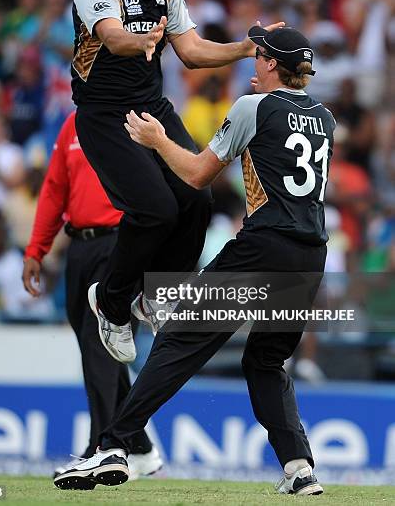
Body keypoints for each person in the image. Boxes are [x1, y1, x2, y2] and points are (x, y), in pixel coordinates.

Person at [55, 26, 336, 496]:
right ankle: (299, 467)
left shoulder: (254, 106)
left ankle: (114, 445)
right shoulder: (324, 116)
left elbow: (197, 174)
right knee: (266, 362)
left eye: (258, 54)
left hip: (262, 248)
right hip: (311, 256)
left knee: (178, 342)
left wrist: (157, 139)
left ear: (269, 64)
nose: (253, 61)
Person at [72, 0, 283, 364]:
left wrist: (246, 49)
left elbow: (191, 50)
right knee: (154, 211)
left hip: (152, 107)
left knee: (197, 197)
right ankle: (111, 304)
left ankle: (152, 296)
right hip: (105, 115)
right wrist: (142, 41)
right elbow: (112, 37)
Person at [22, 112, 161, 487]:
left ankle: (101, 450)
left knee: (99, 343)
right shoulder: (74, 123)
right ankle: (141, 446)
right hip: (79, 247)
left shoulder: (139, 117)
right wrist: (37, 248)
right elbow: (54, 186)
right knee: (96, 345)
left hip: (123, 243)